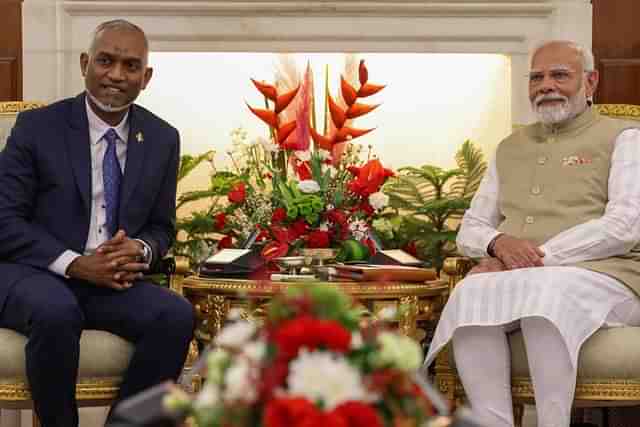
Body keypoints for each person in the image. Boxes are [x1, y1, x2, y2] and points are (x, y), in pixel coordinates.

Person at [424, 40, 640, 427]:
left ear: (590, 83)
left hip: (611, 277)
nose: (546, 86)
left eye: (560, 75)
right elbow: (472, 227)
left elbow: (624, 225)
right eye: (537, 77)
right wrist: (497, 244)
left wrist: (530, 260)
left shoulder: (625, 137)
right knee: (472, 293)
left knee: (545, 296)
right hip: (526, 278)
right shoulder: (510, 146)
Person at [0, 19, 194, 427]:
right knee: (56, 311)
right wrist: (74, 262)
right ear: (85, 63)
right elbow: (5, 219)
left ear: (146, 77)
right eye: (106, 61)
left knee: (175, 315)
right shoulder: (38, 128)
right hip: (35, 273)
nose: (116, 75)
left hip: (110, 283)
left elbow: (162, 226)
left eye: (130, 66)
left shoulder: (162, 138)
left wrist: (141, 250)